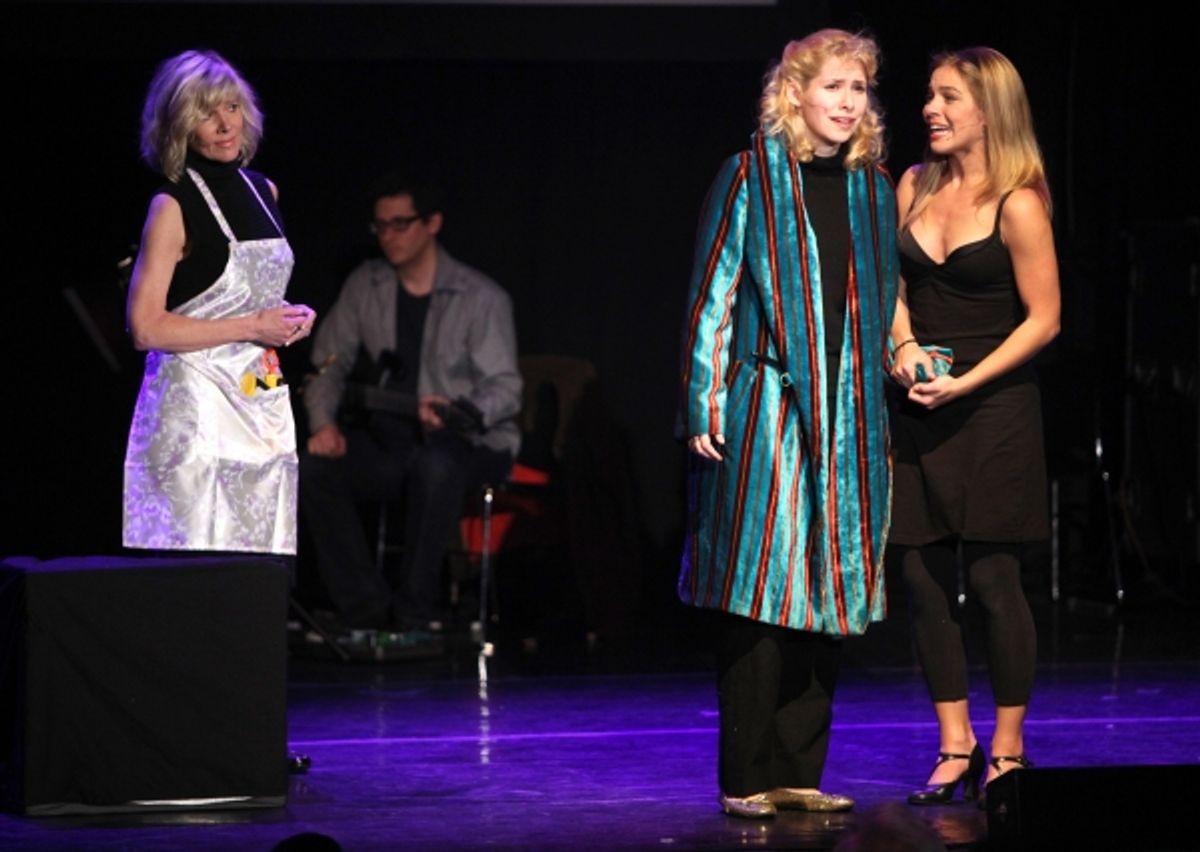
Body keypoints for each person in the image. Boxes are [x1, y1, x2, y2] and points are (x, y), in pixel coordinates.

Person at [679, 30, 899, 819]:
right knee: (761, 587)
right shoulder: (750, 178)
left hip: (849, 414)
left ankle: (798, 769)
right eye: (834, 87)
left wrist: (903, 353)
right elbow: (714, 290)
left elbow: (881, 301)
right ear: (794, 94)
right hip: (768, 402)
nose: (848, 103)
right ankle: (746, 776)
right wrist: (705, 397)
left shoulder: (873, 189)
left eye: (859, 90)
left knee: (827, 591)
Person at [888, 47, 1059, 805]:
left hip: (993, 410)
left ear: (987, 111)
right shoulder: (914, 185)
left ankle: (1009, 749)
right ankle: (955, 744)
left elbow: (1046, 319)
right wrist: (902, 348)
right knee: (921, 579)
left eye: (948, 97)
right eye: (929, 95)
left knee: (993, 579)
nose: (931, 108)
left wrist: (967, 382)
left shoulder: (1018, 201)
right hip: (920, 407)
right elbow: (890, 288)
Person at [299, 171, 520, 644]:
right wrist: (324, 424)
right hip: (394, 440)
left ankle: (414, 615)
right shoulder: (367, 285)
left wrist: (458, 410)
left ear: (432, 223)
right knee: (315, 468)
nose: (389, 237)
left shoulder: (480, 297)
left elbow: (506, 388)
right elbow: (327, 365)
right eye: (381, 226)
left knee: (438, 463)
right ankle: (366, 612)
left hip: (467, 441)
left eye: (401, 224)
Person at [124, 49, 315, 556]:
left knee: (258, 553)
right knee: (200, 556)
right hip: (197, 402)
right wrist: (254, 323)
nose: (224, 124)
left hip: (258, 391)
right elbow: (145, 327)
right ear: (180, 126)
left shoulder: (263, 190)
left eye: (230, 107)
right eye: (206, 113)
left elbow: (254, 294)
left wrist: (287, 318)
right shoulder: (171, 203)